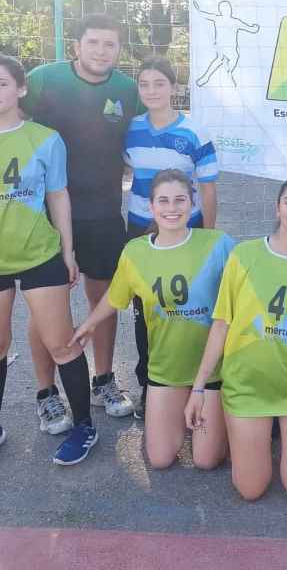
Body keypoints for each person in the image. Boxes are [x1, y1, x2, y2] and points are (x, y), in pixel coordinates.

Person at [0, 55, 97, 467]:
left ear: (21, 89)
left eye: (2, 84)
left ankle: (84, 426)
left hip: (40, 255)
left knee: (61, 343)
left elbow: (58, 195)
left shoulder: (45, 139)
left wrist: (68, 251)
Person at [185, 175, 287, 501]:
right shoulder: (244, 255)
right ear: (277, 208)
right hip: (247, 387)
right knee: (250, 490)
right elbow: (221, 324)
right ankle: (245, 441)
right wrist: (198, 387)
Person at [69, 170, 234, 470]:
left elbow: (257, 269)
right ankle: (180, 408)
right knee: (160, 459)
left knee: (206, 460)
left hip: (212, 371)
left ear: (192, 203)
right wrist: (89, 324)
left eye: (180, 200)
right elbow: (115, 297)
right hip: (166, 368)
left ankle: (218, 415)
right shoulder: (136, 251)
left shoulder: (219, 244)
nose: (172, 208)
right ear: (151, 206)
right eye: (164, 201)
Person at [21, 13, 140, 428]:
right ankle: (46, 392)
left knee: (104, 299)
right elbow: (8, 118)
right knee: (46, 306)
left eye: (110, 44)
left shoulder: (127, 89)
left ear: (119, 50)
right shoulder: (43, 79)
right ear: (76, 46)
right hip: (46, 216)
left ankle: (103, 379)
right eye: (93, 42)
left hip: (104, 212)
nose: (101, 51)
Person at [125, 56, 219, 418]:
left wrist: (207, 239)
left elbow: (208, 190)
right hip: (140, 230)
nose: (151, 91)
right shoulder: (130, 129)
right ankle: (150, 384)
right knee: (147, 312)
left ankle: (200, 382)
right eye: (144, 84)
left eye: (159, 83)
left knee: (193, 309)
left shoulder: (195, 132)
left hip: (186, 230)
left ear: (174, 88)